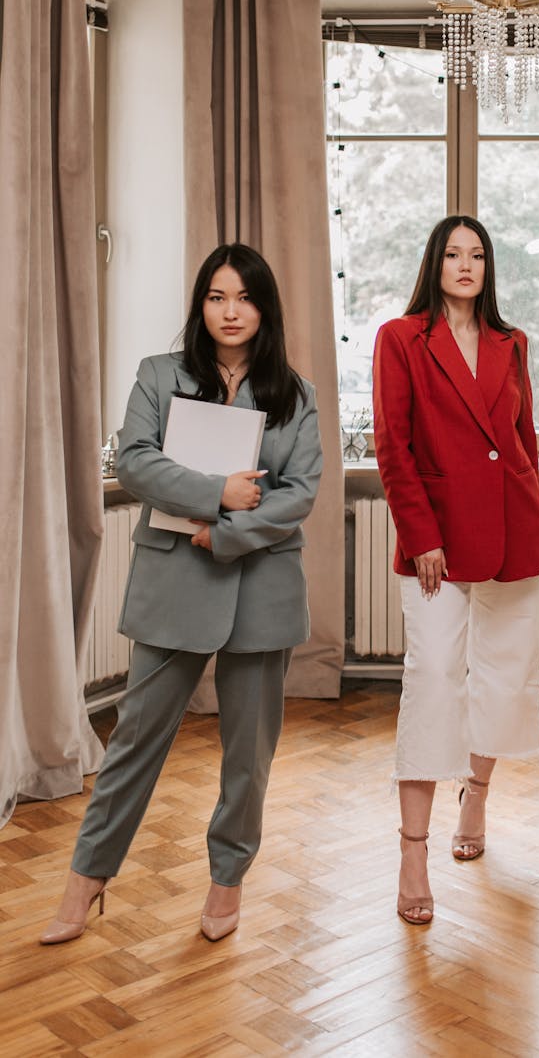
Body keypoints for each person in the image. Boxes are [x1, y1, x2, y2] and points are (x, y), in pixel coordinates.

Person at [40, 243, 322, 944]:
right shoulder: (158, 375)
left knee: (247, 758)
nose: (231, 311)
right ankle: (86, 880)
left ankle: (226, 882)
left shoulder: (296, 391)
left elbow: (299, 493)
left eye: (245, 298)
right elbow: (136, 461)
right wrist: (215, 492)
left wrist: (224, 533)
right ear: (200, 305)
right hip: (173, 584)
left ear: (265, 308)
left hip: (261, 590)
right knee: (135, 741)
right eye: (217, 297)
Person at [373, 215, 539, 925]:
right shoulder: (401, 338)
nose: (466, 265)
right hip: (437, 546)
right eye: (453, 254)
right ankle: (412, 850)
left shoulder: (513, 343)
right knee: (434, 679)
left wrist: (531, 513)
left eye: (477, 254)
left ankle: (474, 799)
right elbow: (393, 445)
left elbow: (522, 443)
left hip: (514, 534)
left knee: (504, 676)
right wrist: (420, 536)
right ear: (434, 263)